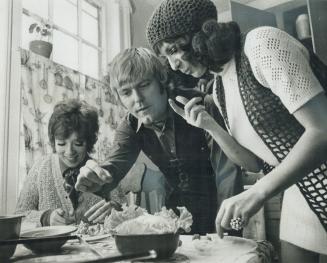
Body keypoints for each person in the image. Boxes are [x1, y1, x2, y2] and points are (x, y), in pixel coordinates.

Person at [146, 0, 327, 261]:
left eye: (174, 49)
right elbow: (254, 163)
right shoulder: (219, 88)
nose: (174, 65)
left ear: (202, 31)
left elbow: (321, 130)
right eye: (166, 56)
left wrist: (258, 191)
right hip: (302, 187)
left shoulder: (261, 44)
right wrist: (209, 124)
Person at [75, 47, 244, 235]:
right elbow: (112, 167)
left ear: (161, 80)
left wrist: (229, 229)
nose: (137, 99)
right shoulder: (130, 125)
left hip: (223, 208)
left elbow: (226, 173)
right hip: (179, 216)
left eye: (144, 85)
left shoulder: (199, 104)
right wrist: (95, 177)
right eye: (126, 92)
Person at [16, 99, 120, 227]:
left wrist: (115, 211)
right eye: (61, 144)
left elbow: (126, 212)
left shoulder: (102, 170)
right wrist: (45, 218)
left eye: (78, 143)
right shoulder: (40, 168)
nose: (69, 152)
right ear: (53, 141)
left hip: (96, 247)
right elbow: (19, 216)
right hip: (53, 247)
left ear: (89, 141)